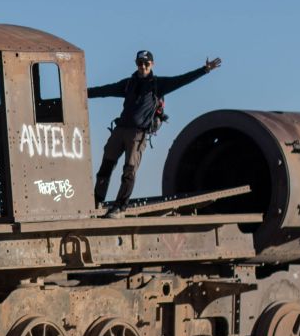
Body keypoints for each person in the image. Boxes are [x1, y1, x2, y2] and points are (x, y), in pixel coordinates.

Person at [89, 50, 222, 217]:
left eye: (146, 63)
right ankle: (95, 203)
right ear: (136, 64)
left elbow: (182, 80)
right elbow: (104, 91)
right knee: (105, 168)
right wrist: (80, 92)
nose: (143, 66)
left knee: (129, 171)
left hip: (137, 134)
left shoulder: (159, 85)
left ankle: (119, 208)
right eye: (140, 63)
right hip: (120, 130)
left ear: (152, 64)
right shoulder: (128, 84)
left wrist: (205, 70)